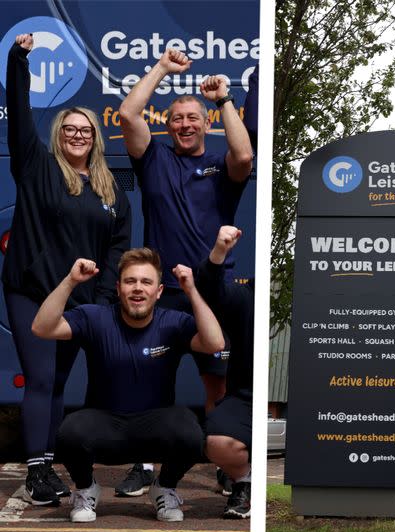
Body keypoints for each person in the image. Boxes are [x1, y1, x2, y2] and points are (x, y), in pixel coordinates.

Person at [116, 48, 253, 496]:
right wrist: (161, 69)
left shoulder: (221, 167)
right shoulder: (152, 158)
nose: (186, 125)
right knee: (148, 384)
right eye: (177, 119)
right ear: (168, 125)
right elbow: (127, 113)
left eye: (193, 118)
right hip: (162, 295)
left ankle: (220, 463)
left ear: (206, 123)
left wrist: (222, 100)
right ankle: (143, 465)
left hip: (209, 293)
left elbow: (245, 154)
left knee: (216, 382)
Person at [5, 34, 131, 505]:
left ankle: (46, 460)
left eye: (86, 130)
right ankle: (38, 470)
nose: (77, 136)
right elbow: (19, 114)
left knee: (58, 382)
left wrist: (102, 301)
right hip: (32, 290)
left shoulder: (110, 188)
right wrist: (20, 59)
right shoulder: (36, 165)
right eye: (69, 129)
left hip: (82, 303)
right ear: (58, 134)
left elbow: (118, 248)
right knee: (39, 378)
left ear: (95, 138)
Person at [31, 248, 225, 522]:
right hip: (105, 425)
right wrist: (70, 281)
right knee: (69, 432)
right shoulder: (94, 317)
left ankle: (164, 487)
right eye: (130, 281)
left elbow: (215, 343)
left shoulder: (173, 323)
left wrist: (191, 291)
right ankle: (87, 489)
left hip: (154, 427)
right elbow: (42, 327)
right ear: (118, 288)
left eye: (146, 282)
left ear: (158, 291)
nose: (137, 288)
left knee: (191, 432)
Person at [197, 226, 254, 519]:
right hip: (245, 399)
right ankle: (245, 482)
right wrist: (220, 250)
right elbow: (210, 290)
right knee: (215, 441)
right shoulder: (247, 295)